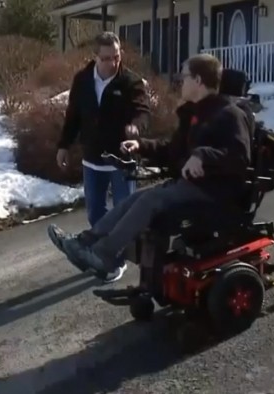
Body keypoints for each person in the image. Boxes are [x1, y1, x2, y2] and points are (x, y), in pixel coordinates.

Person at [48, 54, 254, 280]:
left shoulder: (229, 114)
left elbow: (239, 157)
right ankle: (85, 242)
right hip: (193, 185)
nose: (179, 82)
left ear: (198, 81)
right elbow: (172, 151)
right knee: (134, 199)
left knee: (150, 200)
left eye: (183, 77)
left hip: (215, 192)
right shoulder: (195, 114)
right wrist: (141, 146)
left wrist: (203, 155)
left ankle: (103, 255)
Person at [52, 31, 150, 283]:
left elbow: (142, 111)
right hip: (93, 158)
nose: (112, 63)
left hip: (122, 160)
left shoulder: (131, 82)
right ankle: (100, 254)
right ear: (95, 57)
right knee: (96, 211)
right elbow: (73, 116)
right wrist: (64, 145)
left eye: (116, 57)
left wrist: (136, 128)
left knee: (123, 214)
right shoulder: (83, 80)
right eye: (106, 58)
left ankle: (115, 262)